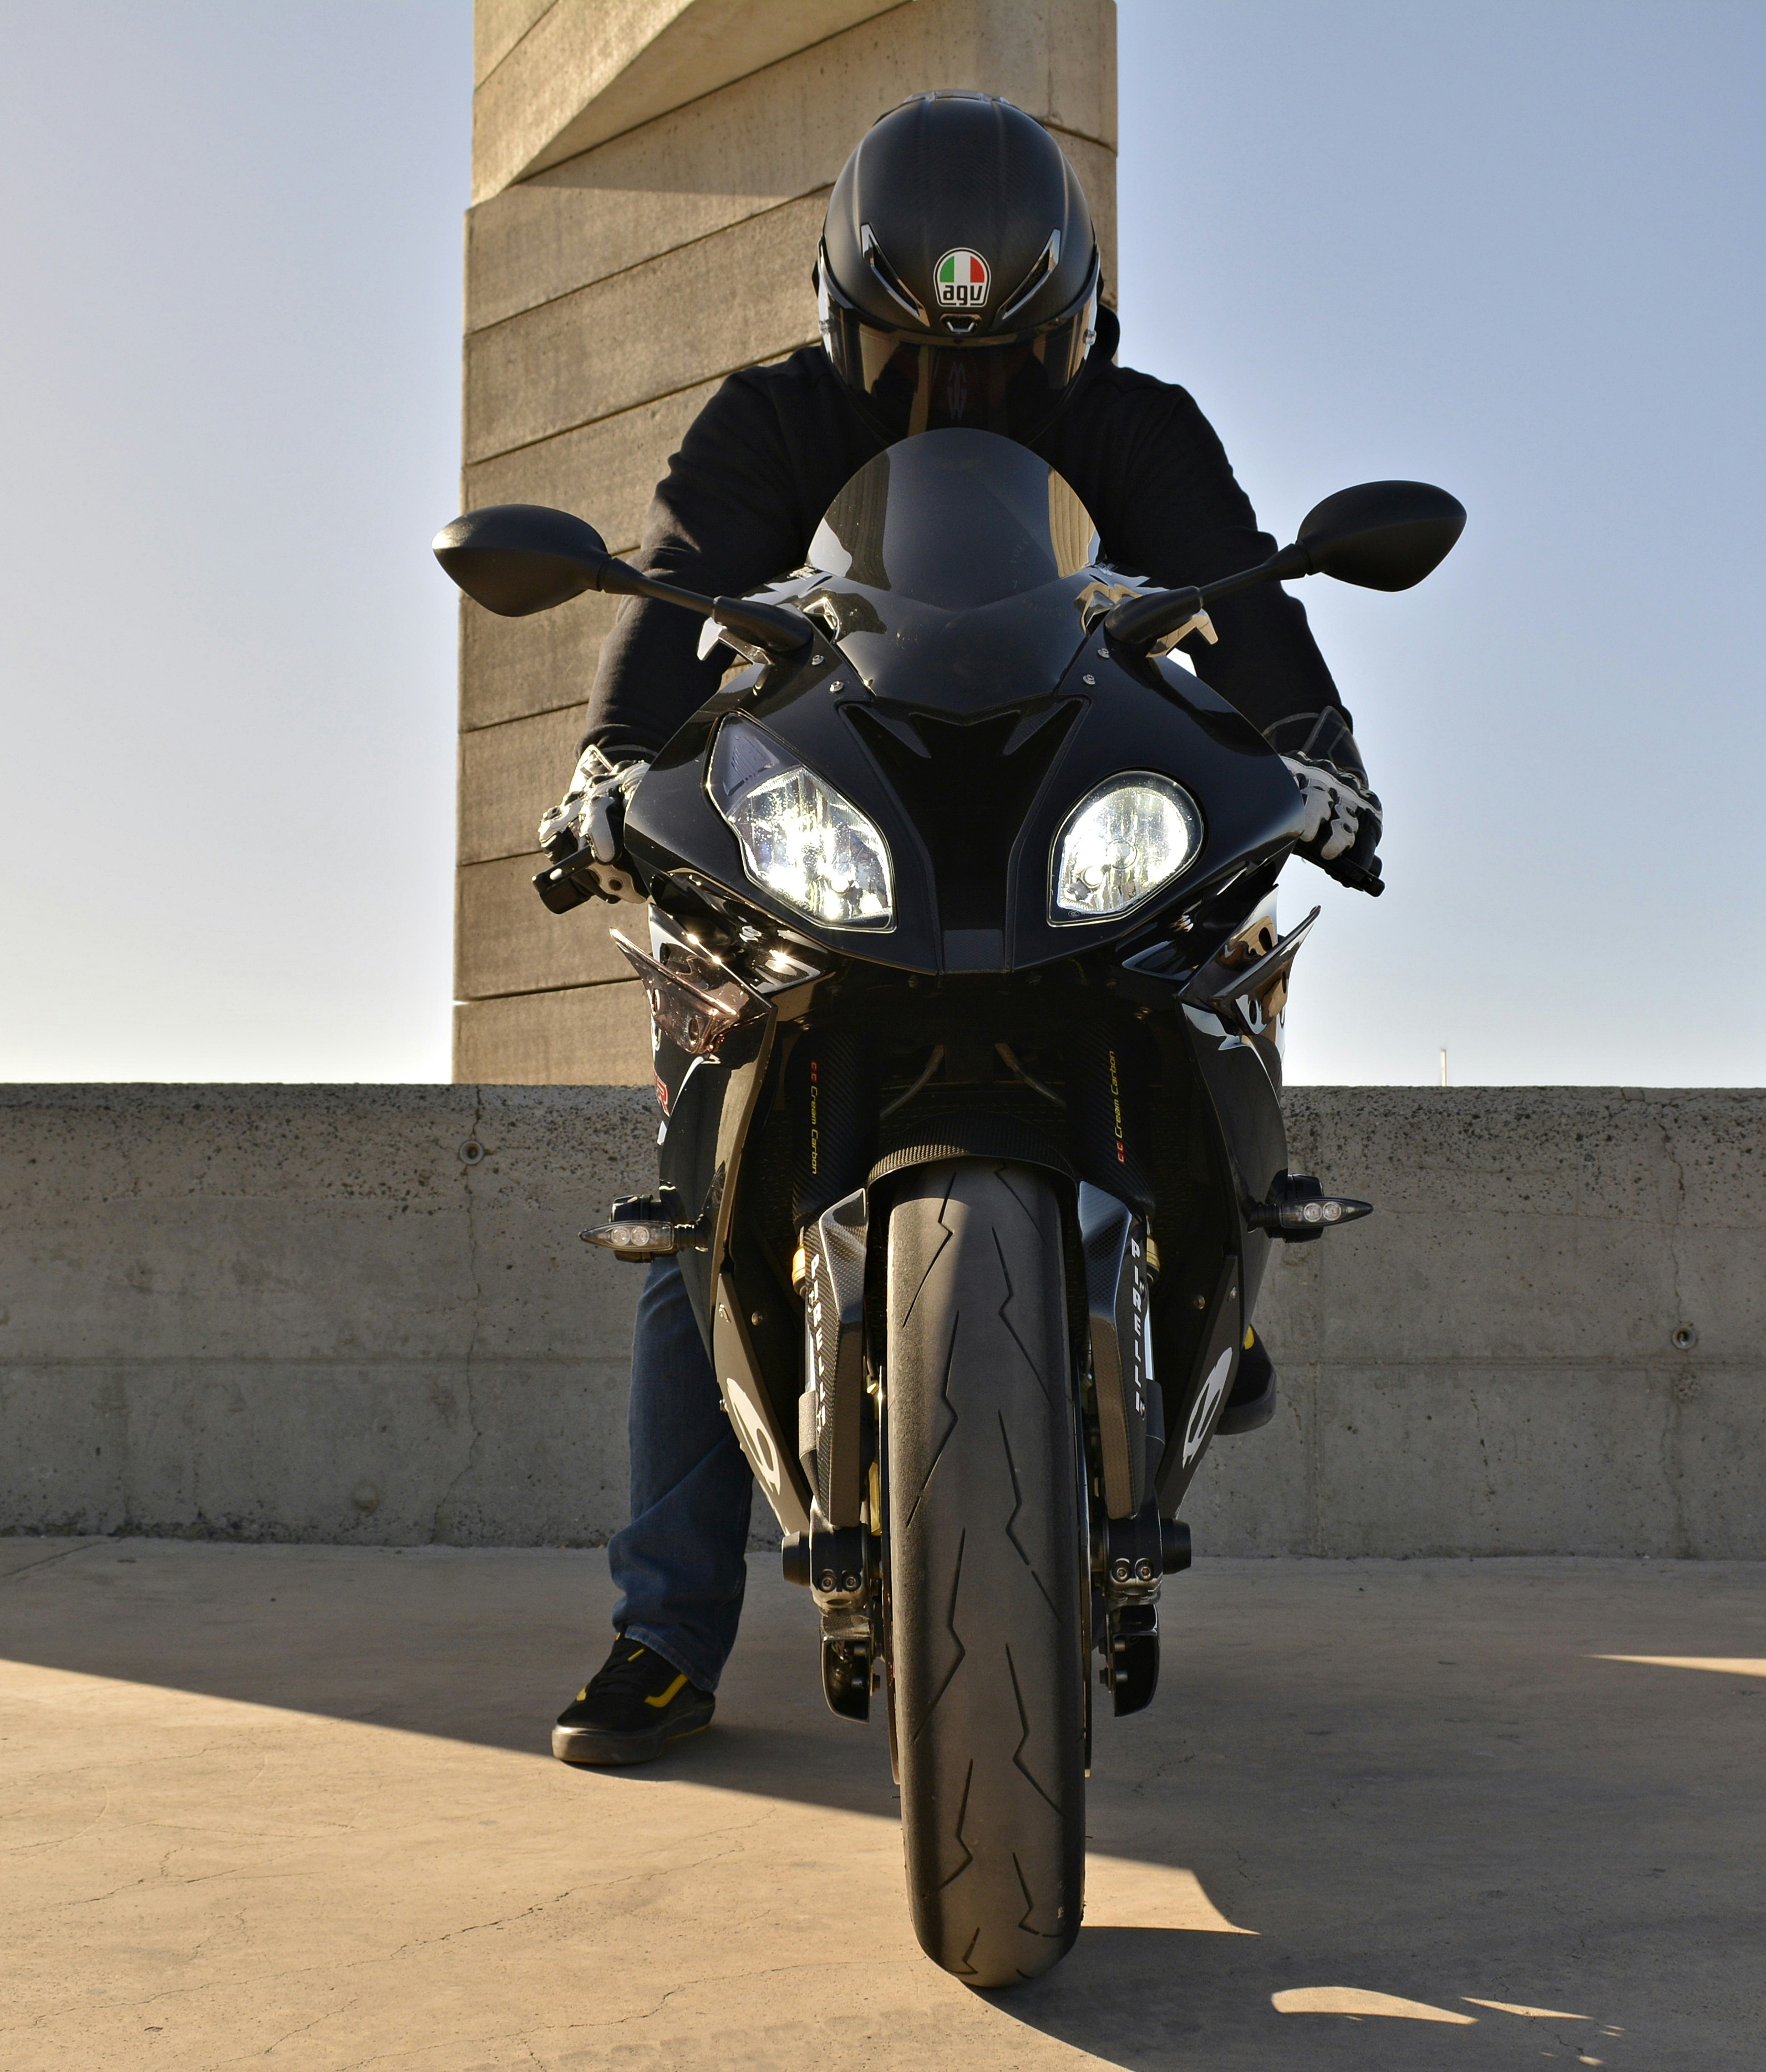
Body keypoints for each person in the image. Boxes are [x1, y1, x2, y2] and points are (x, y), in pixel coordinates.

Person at [540, 90, 1383, 1766]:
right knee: (694, 1183)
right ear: (852, 323)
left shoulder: (1134, 425)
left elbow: (1235, 597)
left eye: (1003, 358)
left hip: (1059, 819)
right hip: (850, 833)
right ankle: (665, 1633)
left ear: (1064, 319)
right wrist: (608, 764)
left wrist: (1327, 755)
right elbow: (682, 577)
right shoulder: (773, 418)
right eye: (924, 359)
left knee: (1217, 958)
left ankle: (1224, 1246)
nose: (964, 387)